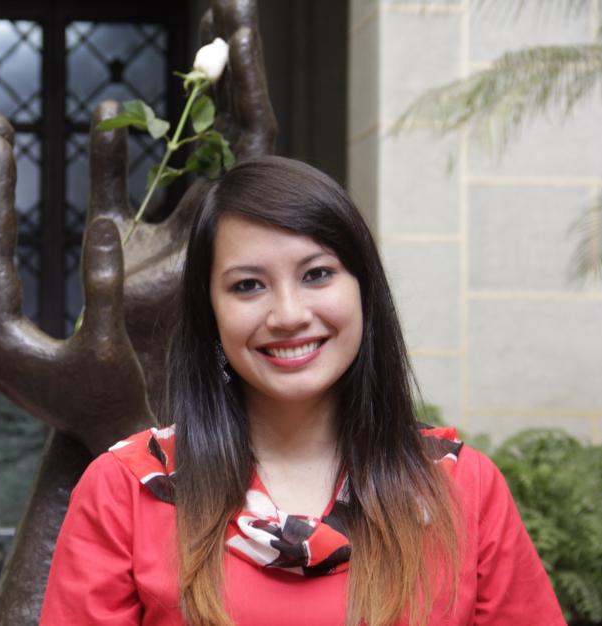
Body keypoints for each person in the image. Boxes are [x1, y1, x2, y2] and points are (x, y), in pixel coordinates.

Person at [38, 156, 565, 626]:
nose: (289, 315)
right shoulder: (125, 491)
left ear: (364, 291)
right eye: (247, 285)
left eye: (317, 274)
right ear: (210, 314)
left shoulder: (461, 488)